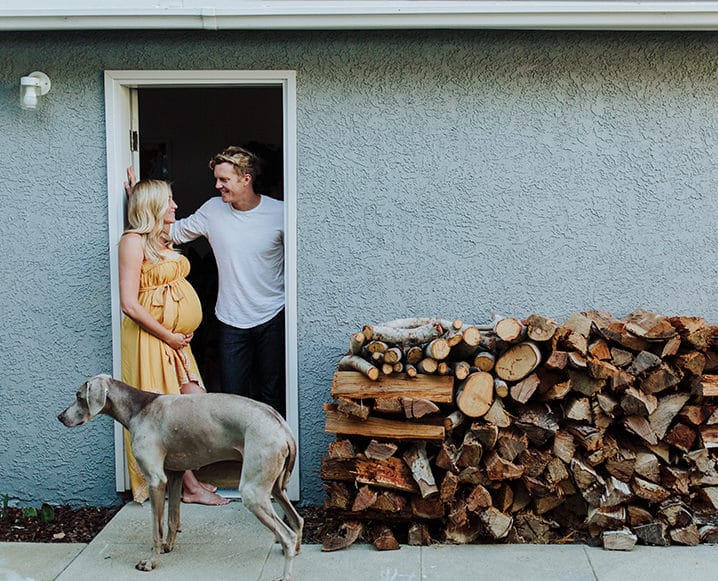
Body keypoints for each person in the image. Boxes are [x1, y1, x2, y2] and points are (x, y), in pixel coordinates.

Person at [126, 145, 286, 416]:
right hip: (230, 320)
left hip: (273, 315)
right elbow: (170, 234)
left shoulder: (281, 213)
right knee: (233, 397)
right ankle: (239, 456)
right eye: (216, 179)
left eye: (224, 180)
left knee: (271, 393)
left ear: (246, 179)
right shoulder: (213, 210)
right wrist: (141, 200)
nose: (217, 185)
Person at [119, 178, 229, 506]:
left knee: (192, 405)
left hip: (175, 340)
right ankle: (189, 488)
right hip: (152, 339)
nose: (175, 206)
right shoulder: (132, 242)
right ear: (153, 206)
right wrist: (168, 333)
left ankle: (190, 480)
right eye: (169, 201)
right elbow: (129, 303)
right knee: (167, 415)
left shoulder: (160, 237)